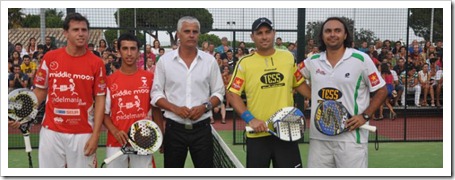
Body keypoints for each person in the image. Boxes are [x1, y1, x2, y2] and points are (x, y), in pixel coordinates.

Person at [298, 17, 387, 168]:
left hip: (351, 139)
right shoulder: (312, 61)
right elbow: (295, 78)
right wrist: (312, 95)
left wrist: (365, 116)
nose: (332, 34)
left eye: (337, 31)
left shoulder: (361, 59)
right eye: (328, 31)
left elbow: (382, 90)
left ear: (345, 35)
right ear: (322, 36)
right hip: (319, 139)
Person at [226, 17, 310, 168]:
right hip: (258, 135)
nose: (264, 36)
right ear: (253, 37)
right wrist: (251, 119)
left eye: (267, 32)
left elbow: (299, 84)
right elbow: (232, 94)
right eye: (259, 33)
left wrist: (319, 98)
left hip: (286, 131)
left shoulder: (287, 57)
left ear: (274, 33)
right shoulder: (244, 63)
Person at [33, 12, 107, 168]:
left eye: (84, 30)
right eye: (75, 30)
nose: (81, 34)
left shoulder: (97, 63)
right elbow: (40, 91)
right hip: (51, 131)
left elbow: (100, 98)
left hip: (83, 132)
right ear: (65, 33)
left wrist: (96, 135)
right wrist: (22, 114)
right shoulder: (50, 58)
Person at [150, 16, 224, 168]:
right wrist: (175, 109)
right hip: (174, 130)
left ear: (198, 34)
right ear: (178, 34)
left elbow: (218, 93)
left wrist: (205, 107)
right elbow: (156, 94)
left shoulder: (209, 61)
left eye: (195, 32)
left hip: (202, 130)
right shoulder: (165, 61)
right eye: (187, 31)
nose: (191, 35)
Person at [103, 33, 163, 168]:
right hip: (116, 141)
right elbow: (104, 114)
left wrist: (161, 135)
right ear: (118, 52)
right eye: (125, 49)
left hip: (143, 140)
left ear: (138, 53)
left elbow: (156, 109)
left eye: (133, 49)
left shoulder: (150, 78)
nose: (129, 53)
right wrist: (115, 131)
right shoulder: (109, 81)